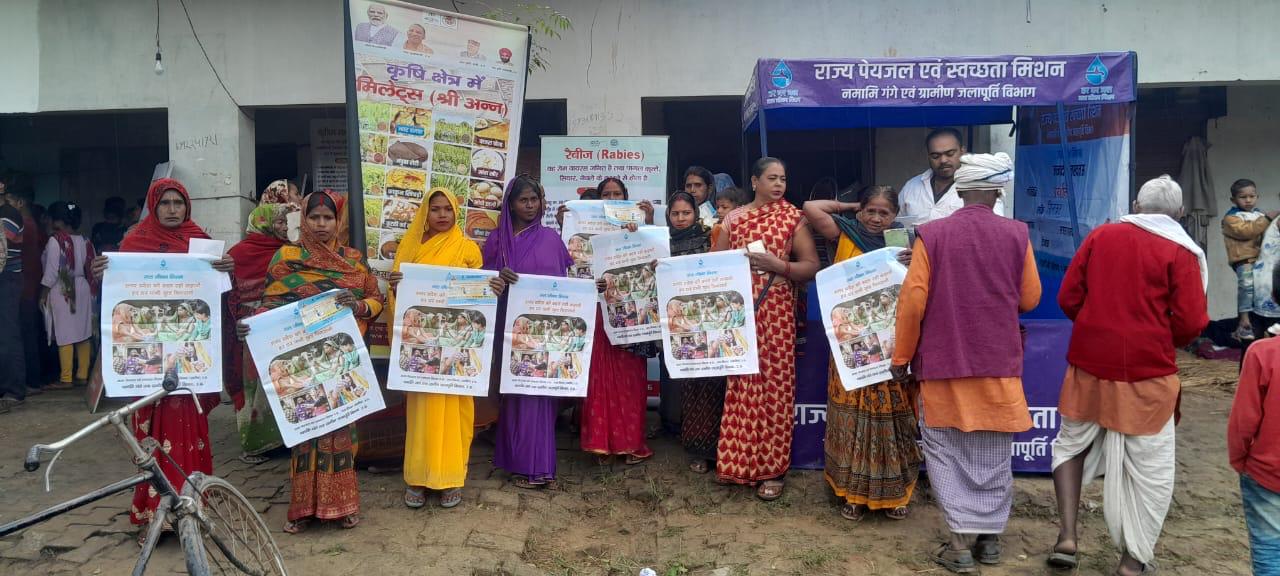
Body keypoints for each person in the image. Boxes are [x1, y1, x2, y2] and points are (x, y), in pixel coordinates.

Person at [1048, 175, 1209, 576]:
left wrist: (1096, 327)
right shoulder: (1181, 250)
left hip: (1089, 362)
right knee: (1150, 468)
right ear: (1180, 214)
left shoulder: (1101, 235)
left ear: (1136, 207)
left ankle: (1067, 537)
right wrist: (1157, 337)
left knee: (1071, 445)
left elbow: (1068, 297)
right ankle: (1131, 562)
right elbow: (1191, 322)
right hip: (1148, 370)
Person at [890, 153, 1039, 574]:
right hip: (998, 364)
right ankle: (989, 540)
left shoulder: (932, 235)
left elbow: (913, 302)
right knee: (994, 453)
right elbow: (1030, 298)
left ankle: (958, 546)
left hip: (943, 363)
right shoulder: (1017, 233)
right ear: (998, 192)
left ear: (961, 189)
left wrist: (902, 357)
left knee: (944, 454)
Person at [90, 178, 233, 541]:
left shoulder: (201, 244)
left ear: (187, 206)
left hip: (188, 366)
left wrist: (226, 271)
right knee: (152, 438)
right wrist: (101, 274)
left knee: (189, 432)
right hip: (149, 368)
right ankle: (155, 513)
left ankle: (193, 506)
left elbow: (217, 303)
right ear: (153, 206)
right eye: (165, 203)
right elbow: (117, 297)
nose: (172, 209)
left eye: (178, 203)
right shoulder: (133, 243)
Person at [242, 189, 383, 533]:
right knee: (305, 430)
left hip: (339, 361)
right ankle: (303, 508)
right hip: (301, 364)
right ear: (303, 220)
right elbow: (270, 305)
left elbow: (375, 299)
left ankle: (344, 505)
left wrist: (358, 306)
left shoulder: (354, 260)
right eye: (314, 217)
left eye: (328, 218)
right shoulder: (286, 257)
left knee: (342, 430)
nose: (322, 224)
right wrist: (252, 325)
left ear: (338, 221)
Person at [804, 185, 923, 522]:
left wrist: (916, 261)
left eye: (884, 212)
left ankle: (896, 493)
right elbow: (811, 207)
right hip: (851, 349)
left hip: (893, 347)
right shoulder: (845, 233)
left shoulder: (905, 244)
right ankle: (851, 493)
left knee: (894, 416)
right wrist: (852, 205)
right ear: (860, 211)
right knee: (851, 414)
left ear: (895, 216)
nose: (876, 218)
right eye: (870, 210)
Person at [711, 157, 820, 500]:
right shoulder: (733, 219)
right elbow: (714, 266)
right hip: (738, 315)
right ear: (755, 181)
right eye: (772, 178)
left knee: (776, 388)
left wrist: (779, 265)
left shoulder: (792, 217)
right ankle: (738, 465)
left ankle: (773, 470)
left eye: (783, 179)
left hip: (777, 313)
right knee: (741, 385)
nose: (778, 185)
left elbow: (811, 266)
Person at [386, 187, 483, 510]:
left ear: (456, 212)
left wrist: (491, 288)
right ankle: (417, 477)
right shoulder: (411, 248)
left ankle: (451, 478)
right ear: (425, 213)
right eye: (435, 208)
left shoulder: (468, 248)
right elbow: (398, 300)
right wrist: (396, 288)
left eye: (447, 209)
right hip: (423, 350)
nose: (442, 215)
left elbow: (478, 298)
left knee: (455, 416)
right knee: (421, 416)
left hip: (455, 350)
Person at [483, 176, 573, 489]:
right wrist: (497, 276)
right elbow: (483, 282)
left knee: (540, 396)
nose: (531, 206)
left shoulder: (551, 238)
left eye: (535, 199)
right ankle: (517, 462)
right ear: (510, 204)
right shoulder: (496, 240)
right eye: (523, 200)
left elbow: (565, 284)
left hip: (545, 332)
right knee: (514, 393)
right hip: (510, 328)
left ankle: (539, 467)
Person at [582, 177, 656, 465]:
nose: (612, 199)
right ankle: (601, 443)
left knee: (630, 378)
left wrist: (648, 225)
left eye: (617, 194)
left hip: (633, 316)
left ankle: (631, 443)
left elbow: (654, 259)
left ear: (627, 198)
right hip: (599, 310)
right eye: (606, 194)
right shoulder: (587, 231)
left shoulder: (639, 227)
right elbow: (574, 266)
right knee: (600, 377)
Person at [662, 191, 725, 472]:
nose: (680, 218)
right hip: (680, 327)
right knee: (690, 388)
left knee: (714, 384)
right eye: (675, 213)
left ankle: (720, 448)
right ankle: (697, 448)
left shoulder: (710, 238)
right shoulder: (660, 244)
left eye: (686, 213)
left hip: (710, 324)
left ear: (696, 214)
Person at [226, 202, 293, 464]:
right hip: (249, 329)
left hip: (280, 324)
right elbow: (227, 293)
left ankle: (283, 438)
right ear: (263, 223)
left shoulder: (289, 252)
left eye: (286, 222)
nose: (284, 228)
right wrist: (236, 322)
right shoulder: (238, 254)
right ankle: (253, 444)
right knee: (253, 385)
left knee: (281, 378)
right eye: (279, 222)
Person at [1231, 268, 1280, 575]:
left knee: (1269, 553)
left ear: (1273, 295)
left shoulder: (1261, 354)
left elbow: (1244, 421)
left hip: (1266, 473)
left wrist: (1240, 460)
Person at [898, 128, 1005, 227]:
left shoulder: (982, 188)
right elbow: (897, 225)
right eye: (935, 156)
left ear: (962, 152)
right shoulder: (911, 187)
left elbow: (994, 228)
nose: (943, 160)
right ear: (928, 156)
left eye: (950, 153)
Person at [41, 201, 95, 389]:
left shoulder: (55, 240)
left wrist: (43, 293)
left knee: (64, 333)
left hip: (63, 287)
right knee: (83, 332)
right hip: (83, 285)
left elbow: (51, 272)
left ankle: (65, 378)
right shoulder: (86, 240)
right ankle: (82, 374)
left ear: (56, 220)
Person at [1222, 178, 1275, 342]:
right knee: (1246, 286)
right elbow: (1247, 231)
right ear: (1233, 200)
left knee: (1263, 289)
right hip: (1244, 259)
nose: (1248, 200)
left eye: (1252, 196)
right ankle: (1244, 321)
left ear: (1257, 197)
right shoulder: (1231, 219)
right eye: (1243, 197)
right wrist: (1267, 219)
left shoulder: (1259, 214)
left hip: (1261, 260)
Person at [8, 186, 49, 393]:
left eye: (9, 202)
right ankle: (33, 380)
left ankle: (31, 381)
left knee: (25, 335)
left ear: (20, 203)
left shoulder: (24, 225)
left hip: (24, 285)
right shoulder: (33, 225)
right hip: (30, 284)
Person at [0, 194, 27, 411]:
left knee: (8, 335)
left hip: (7, 279)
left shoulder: (8, 214)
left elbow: (3, 249)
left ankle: (13, 390)